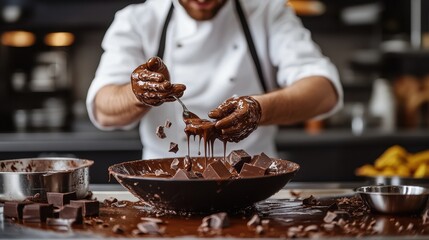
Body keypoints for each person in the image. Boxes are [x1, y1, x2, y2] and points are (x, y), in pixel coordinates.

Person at [86, 0, 343, 159]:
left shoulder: (268, 11)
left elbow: (323, 91)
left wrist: (258, 109)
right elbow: (103, 107)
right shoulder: (138, 20)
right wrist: (139, 93)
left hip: (254, 182)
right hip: (161, 183)